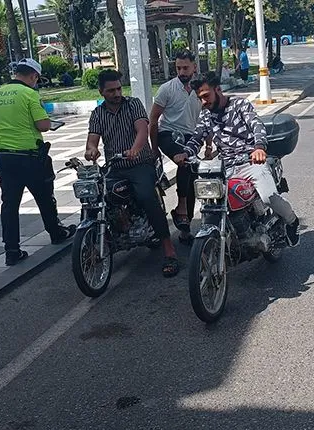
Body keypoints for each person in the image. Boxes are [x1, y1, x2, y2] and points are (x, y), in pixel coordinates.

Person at [180, 71, 300, 246]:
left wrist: (259, 148)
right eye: (200, 98)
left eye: (206, 96)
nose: (204, 102)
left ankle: (292, 220)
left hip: (251, 162)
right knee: (210, 202)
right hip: (226, 167)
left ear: (218, 89)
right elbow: (197, 137)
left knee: (269, 197)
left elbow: (257, 126)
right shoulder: (206, 115)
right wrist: (186, 153)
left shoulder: (240, 105)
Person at [85, 69, 180, 277]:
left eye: (118, 88)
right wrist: (91, 150)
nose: (116, 93)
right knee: (95, 198)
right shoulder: (98, 114)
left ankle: (168, 249)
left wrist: (136, 149)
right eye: (111, 90)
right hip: (114, 167)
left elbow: (142, 130)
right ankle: (100, 241)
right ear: (101, 92)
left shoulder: (133, 104)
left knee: (147, 197)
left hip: (139, 164)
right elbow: (92, 139)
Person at [0, 58, 76, 266]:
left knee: (9, 205)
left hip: (4, 158)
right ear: (34, 76)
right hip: (30, 157)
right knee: (45, 197)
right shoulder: (29, 94)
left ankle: (11, 250)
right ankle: (56, 233)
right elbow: (43, 125)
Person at [149, 49, 202, 243]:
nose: (182, 72)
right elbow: (153, 120)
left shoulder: (200, 89)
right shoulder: (167, 89)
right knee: (183, 160)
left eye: (185, 67)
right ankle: (180, 207)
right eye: (178, 68)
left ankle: (185, 230)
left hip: (190, 138)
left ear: (194, 67)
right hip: (168, 135)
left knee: (191, 180)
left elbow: (208, 117)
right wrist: (154, 149)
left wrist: (212, 145)